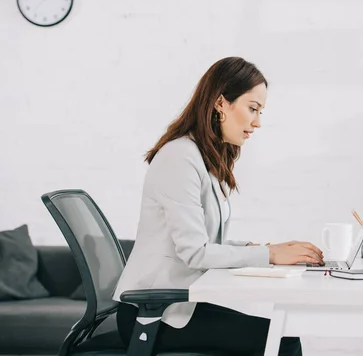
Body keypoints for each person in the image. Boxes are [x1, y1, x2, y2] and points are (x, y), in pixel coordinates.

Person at [112, 56, 325, 355]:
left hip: (177, 309)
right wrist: (269, 254)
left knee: (283, 335)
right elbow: (195, 252)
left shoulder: (203, 159)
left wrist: (267, 248)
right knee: (283, 343)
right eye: (252, 109)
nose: (258, 122)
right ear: (221, 103)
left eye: (260, 111)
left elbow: (207, 242)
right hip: (153, 316)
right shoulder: (180, 157)